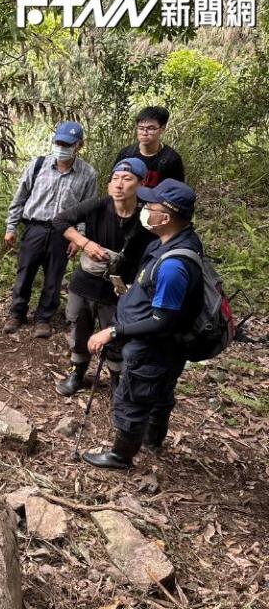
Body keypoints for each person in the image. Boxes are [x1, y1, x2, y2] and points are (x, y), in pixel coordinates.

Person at [83, 179, 203, 469]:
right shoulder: (177, 242)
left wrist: (113, 330)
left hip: (153, 348)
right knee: (160, 393)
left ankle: (121, 456)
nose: (145, 208)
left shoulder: (175, 265)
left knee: (133, 399)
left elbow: (162, 321)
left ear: (168, 216)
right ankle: (152, 440)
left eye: (152, 206)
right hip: (167, 350)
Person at [52, 158, 155, 396]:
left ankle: (117, 379)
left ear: (140, 184)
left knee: (115, 333)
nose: (119, 185)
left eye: (127, 179)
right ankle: (78, 373)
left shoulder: (147, 216)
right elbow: (60, 221)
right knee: (79, 328)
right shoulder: (98, 206)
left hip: (120, 289)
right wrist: (84, 243)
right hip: (85, 282)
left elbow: (156, 251)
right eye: (115, 179)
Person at [3, 122, 98, 338]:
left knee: (54, 277)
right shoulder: (38, 165)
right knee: (25, 273)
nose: (61, 147)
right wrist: (11, 227)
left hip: (63, 233)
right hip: (35, 227)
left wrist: (79, 238)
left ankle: (44, 318)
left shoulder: (88, 174)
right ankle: (16, 314)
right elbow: (20, 197)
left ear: (79, 146)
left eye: (67, 144)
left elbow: (87, 210)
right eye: (58, 142)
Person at [113, 106, 185, 188]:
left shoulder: (171, 159)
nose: (144, 133)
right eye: (141, 128)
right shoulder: (126, 154)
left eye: (150, 128)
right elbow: (113, 183)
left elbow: (177, 192)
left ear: (162, 128)